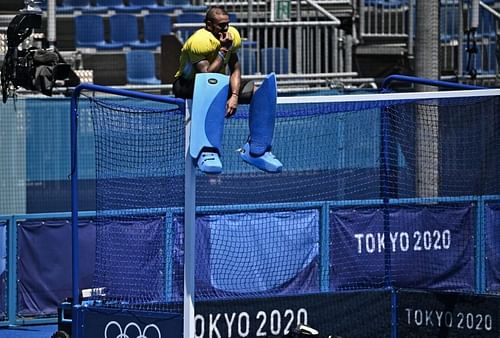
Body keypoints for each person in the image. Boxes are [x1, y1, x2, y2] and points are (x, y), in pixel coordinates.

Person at [173, 6, 283, 174]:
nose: (226, 29)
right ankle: (206, 151)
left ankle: (257, 151)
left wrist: (234, 95)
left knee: (257, 92)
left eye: (227, 24)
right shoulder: (199, 41)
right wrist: (223, 50)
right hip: (188, 85)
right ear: (209, 24)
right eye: (221, 25)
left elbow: (235, 69)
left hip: (218, 84)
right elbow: (207, 75)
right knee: (212, 84)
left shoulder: (232, 35)